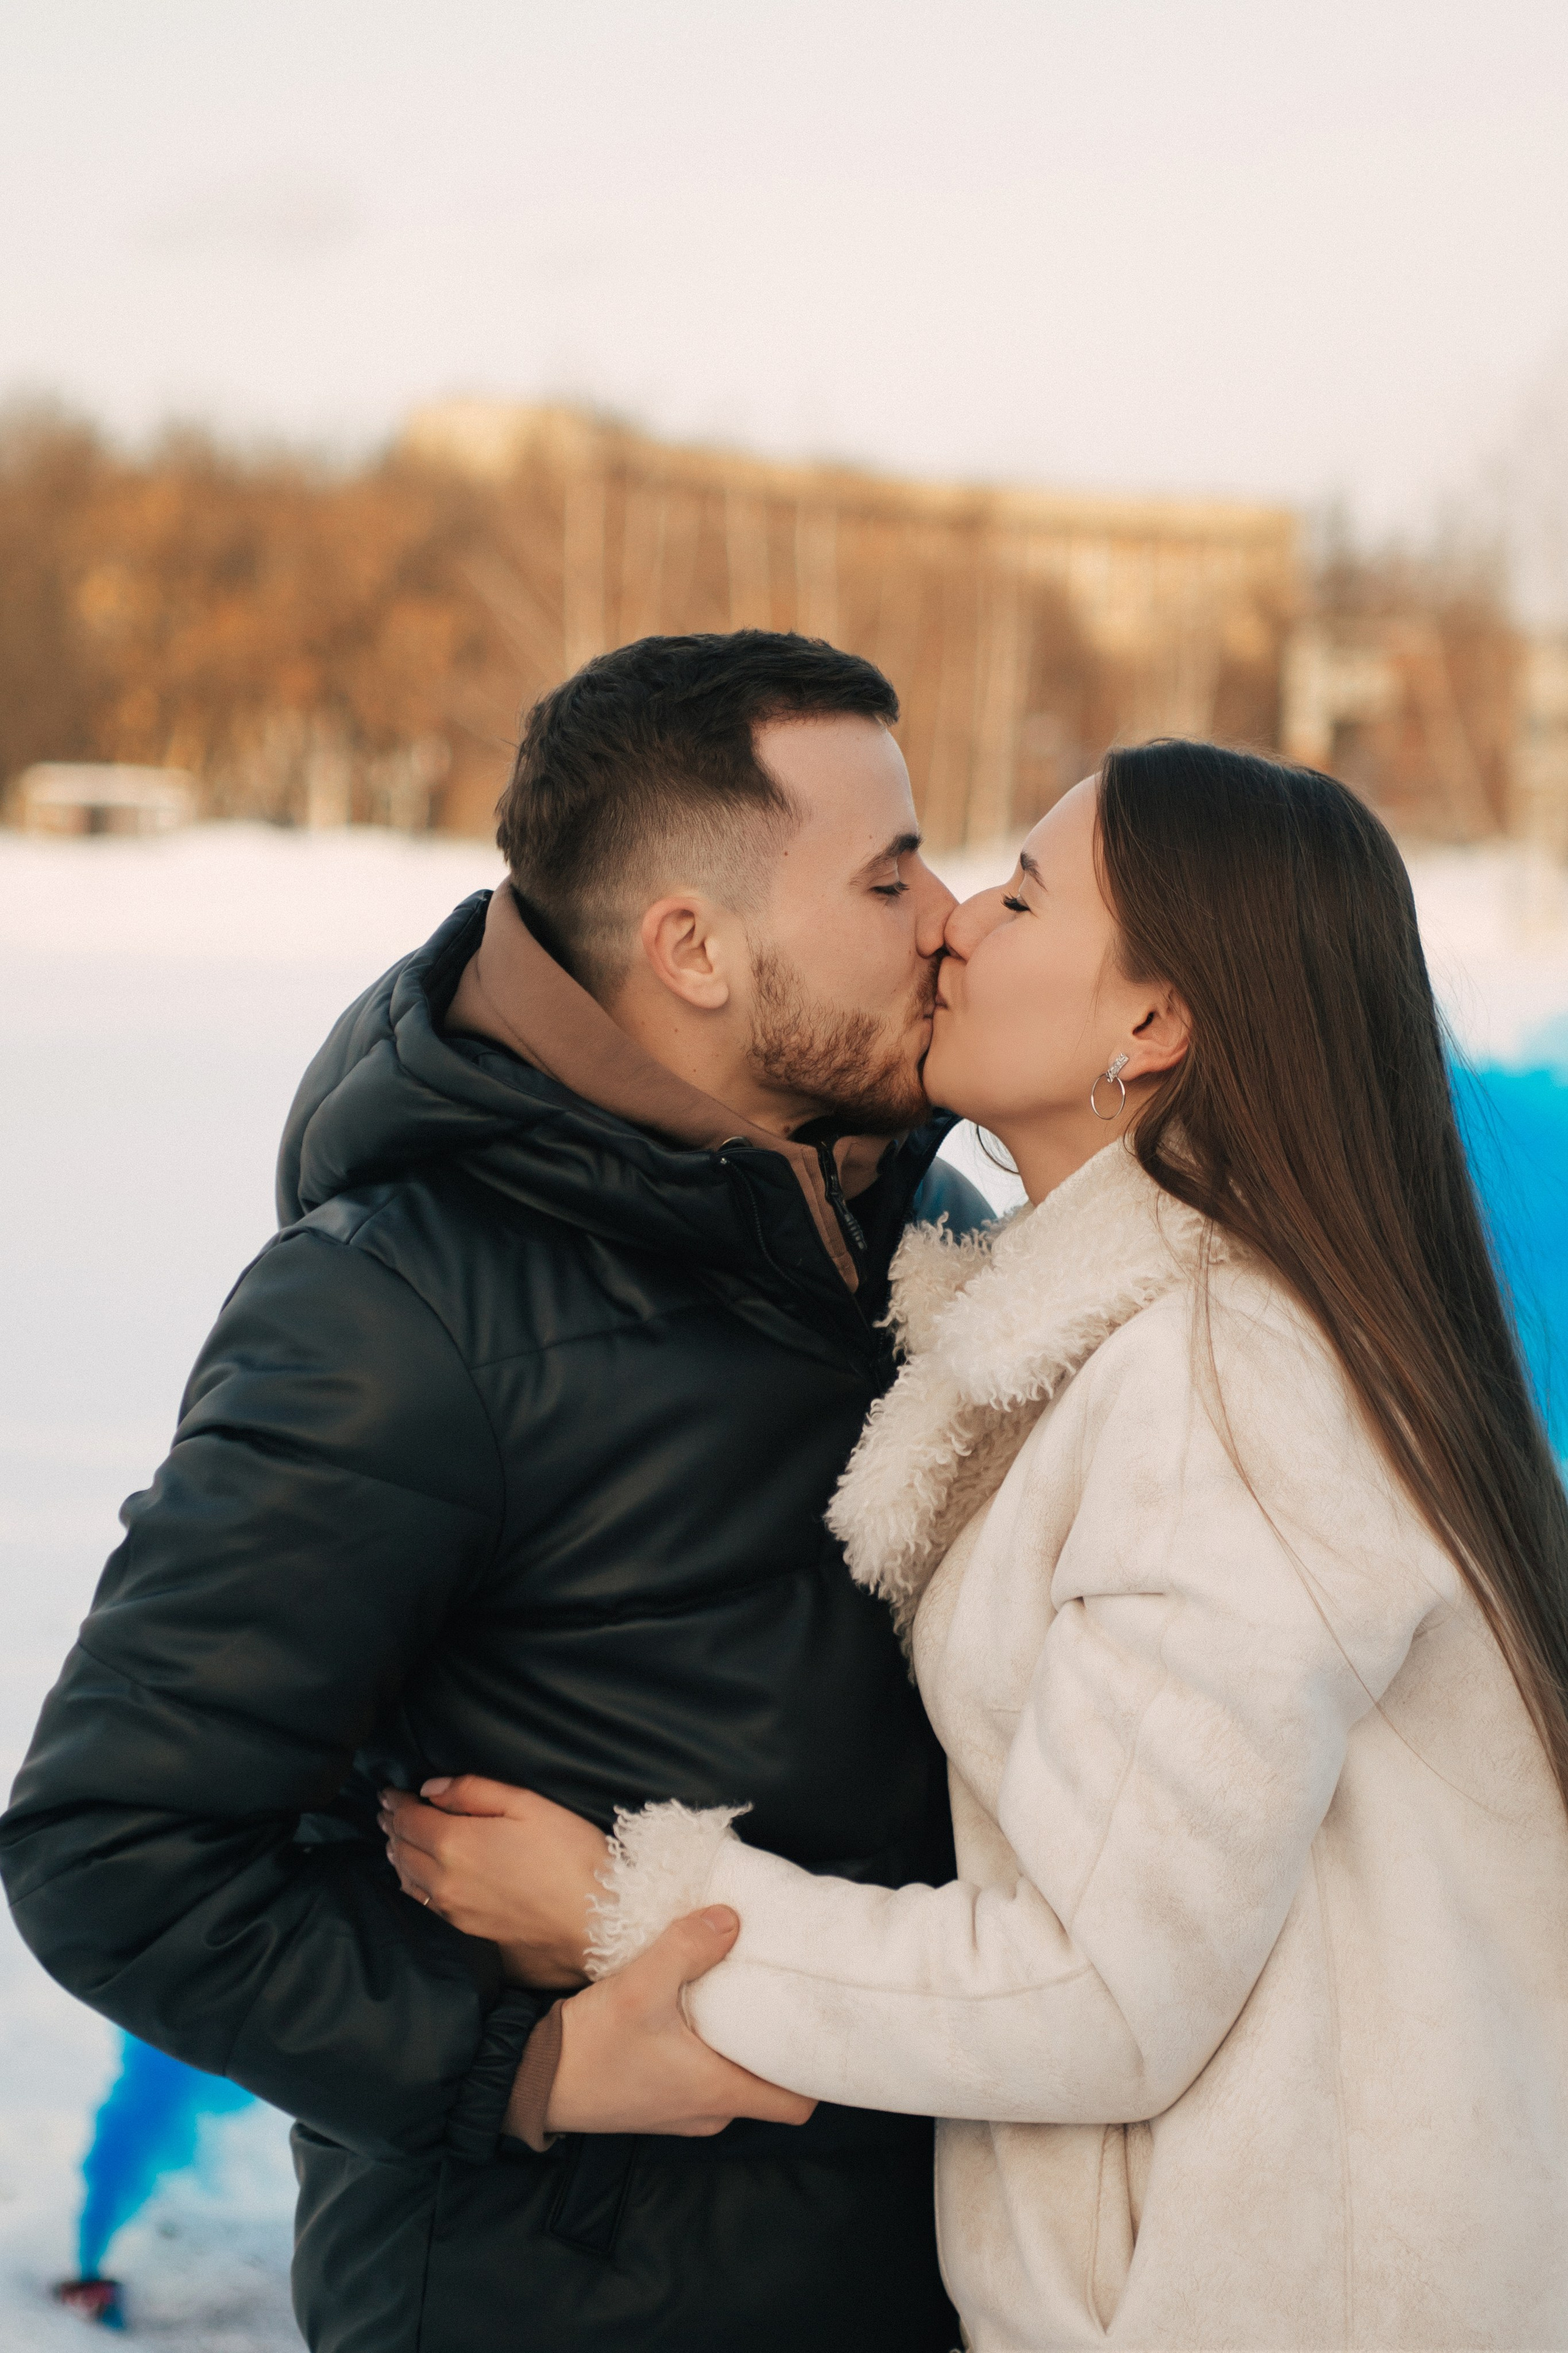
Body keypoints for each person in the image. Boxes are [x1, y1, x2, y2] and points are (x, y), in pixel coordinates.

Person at [398, 741, 1568, 2351]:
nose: (951, 921)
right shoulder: (1144, 1338)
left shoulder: (1223, 1386)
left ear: (1154, 1023)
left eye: (1022, 896)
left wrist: (633, 1906)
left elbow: (1103, 1993)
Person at [0, 632, 992, 2353]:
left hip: (941, 2277)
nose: (948, 917)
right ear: (692, 947)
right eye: (890, 874)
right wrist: (523, 2063)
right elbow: (115, 1848)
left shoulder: (926, 1232)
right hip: (568, 2303)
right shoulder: (398, 1313)